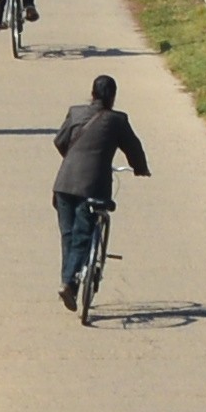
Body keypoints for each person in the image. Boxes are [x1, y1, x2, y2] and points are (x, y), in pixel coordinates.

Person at [49, 72, 146, 304]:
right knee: (83, 235)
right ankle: (69, 282)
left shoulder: (75, 112)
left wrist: (73, 159)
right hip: (92, 186)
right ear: (113, 97)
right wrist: (140, 168)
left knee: (68, 235)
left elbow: (60, 141)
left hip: (63, 183)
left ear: (92, 94)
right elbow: (133, 147)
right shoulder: (117, 120)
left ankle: (68, 282)